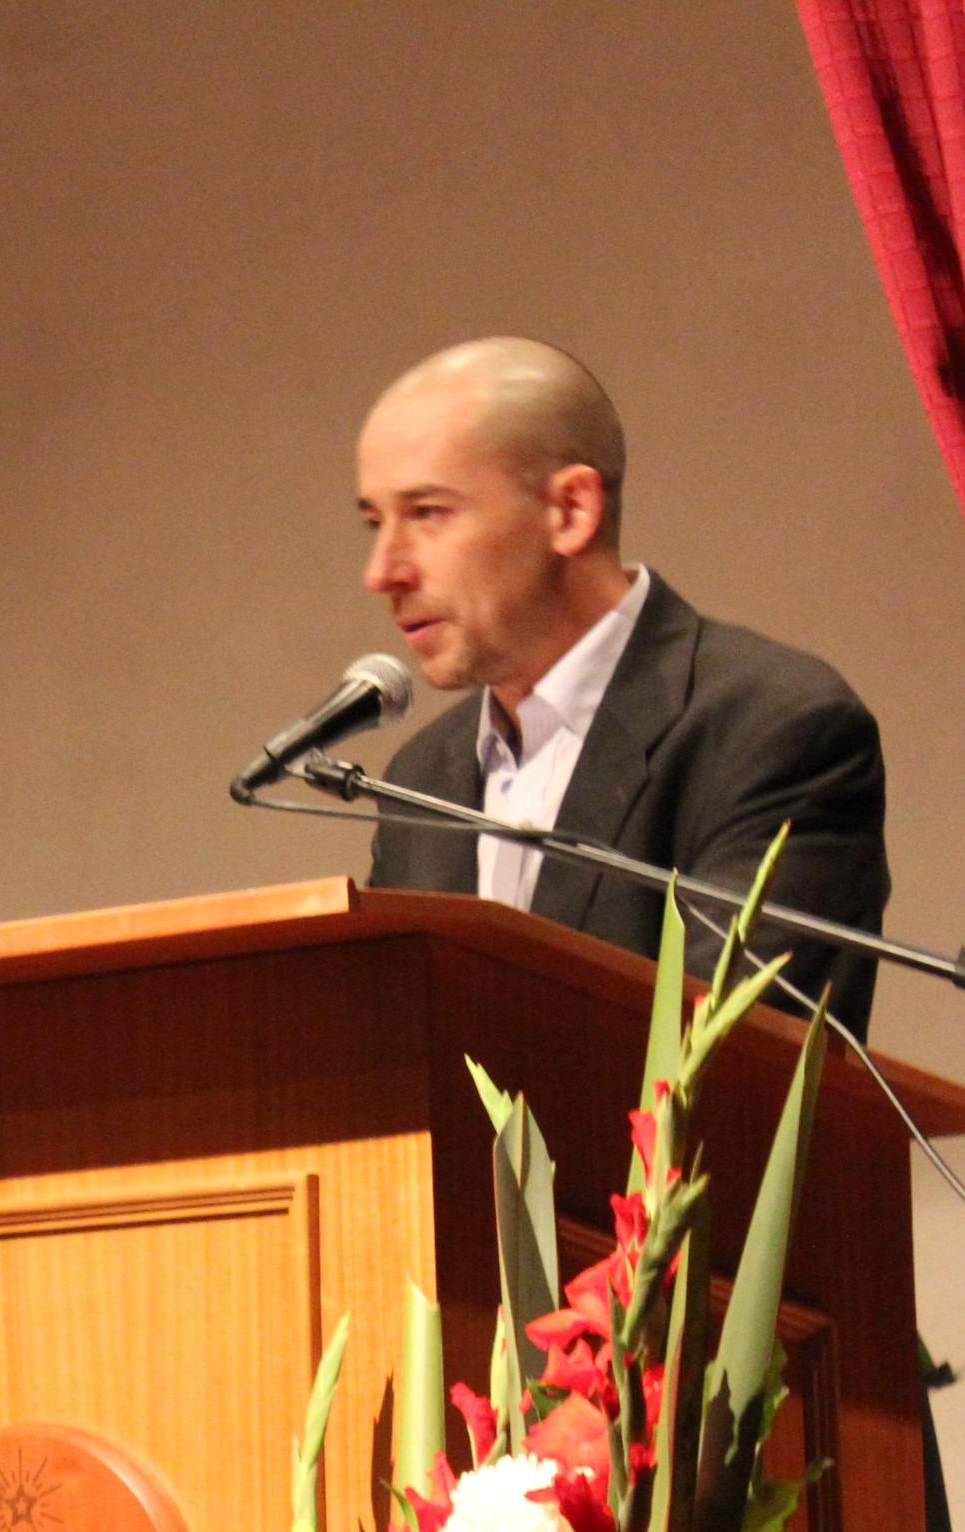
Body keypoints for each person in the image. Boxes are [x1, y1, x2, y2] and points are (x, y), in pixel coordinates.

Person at [355, 337, 890, 1024]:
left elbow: (726, 1059)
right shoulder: (423, 777)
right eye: (375, 522)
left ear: (571, 511)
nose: (382, 571)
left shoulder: (772, 729)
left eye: (428, 514)